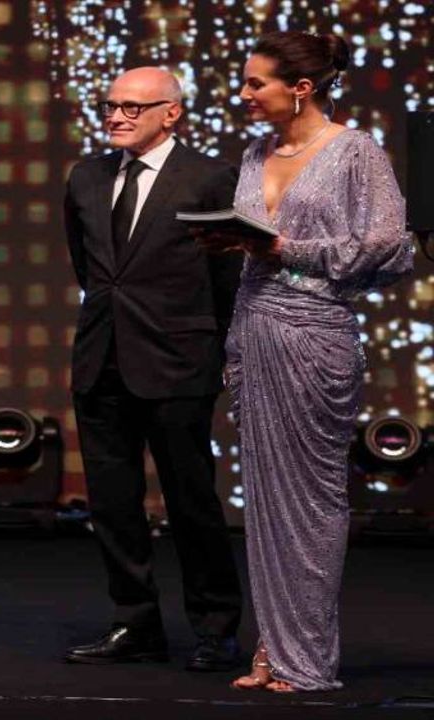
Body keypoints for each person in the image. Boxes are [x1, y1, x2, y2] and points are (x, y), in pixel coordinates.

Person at [198, 31, 412, 692]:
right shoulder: (255, 152)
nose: (243, 94)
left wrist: (286, 249)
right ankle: (273, 649)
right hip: (253, 330)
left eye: (255, 82)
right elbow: (256, 243)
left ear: (302, 87)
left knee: (312, 502)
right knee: (266, 501)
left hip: (315, 336)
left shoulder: (355, 152)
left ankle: (307, 660)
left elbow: (388, 248)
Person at [62, 67, 245, 671]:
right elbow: (90, 268)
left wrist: (216, 352)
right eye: (110, 105)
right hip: (102, 358)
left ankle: (215, 628)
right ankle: (135, 623)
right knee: (112, 504)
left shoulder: (210, 177)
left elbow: (228, 277)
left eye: (132, 107)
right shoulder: (86, 176)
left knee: (191, 502)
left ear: (171, 113)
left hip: (178, 360)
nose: (116, 116)